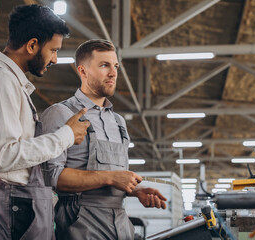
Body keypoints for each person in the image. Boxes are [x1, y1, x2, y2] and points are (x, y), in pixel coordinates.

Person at [0, 4, 90, 240]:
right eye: (53, 50)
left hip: (20, 203)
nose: (55, 59)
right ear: (32, 45)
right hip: (12, 208)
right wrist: (66, 136)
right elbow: (4, 157)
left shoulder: (11, 82)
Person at [41, 39, 167, 240]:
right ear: (82, 71)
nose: (113, 73)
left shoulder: (118, 122)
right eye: (104, 65)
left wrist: (135, 191)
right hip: (80, 225)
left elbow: (119, 177)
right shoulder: (61, 114)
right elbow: (52, 177)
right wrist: (111, 177)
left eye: (115, 66)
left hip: (121, 225)